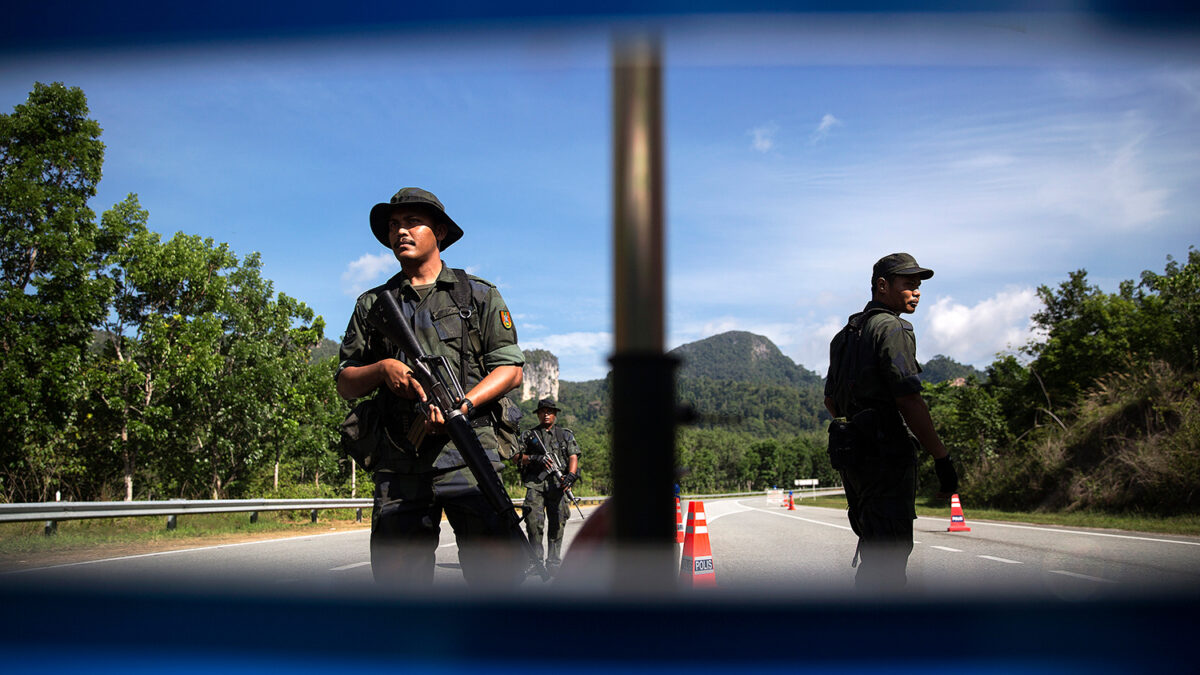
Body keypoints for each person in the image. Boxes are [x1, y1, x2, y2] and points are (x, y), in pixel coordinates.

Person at [336, 186, 526, 588]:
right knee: (399, 589)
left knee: (496, 582)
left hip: (469, 455)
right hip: (400, 461)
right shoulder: (374, 305)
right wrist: (383, 369)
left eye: (411, 222)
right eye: (393, 225)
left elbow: (510, 369)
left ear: (439, 232)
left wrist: (463, 406)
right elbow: (346, 383)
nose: (400, 232)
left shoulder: (477, 295)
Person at [823, 252, 959, 592]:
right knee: (889, 559)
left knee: (874, 548)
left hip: (851, 458)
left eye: (918, 285)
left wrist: (857, 427)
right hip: (885, 458)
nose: (916, 292)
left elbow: (830, 399)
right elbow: (908, 398)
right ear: (882, 286)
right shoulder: (893, 328)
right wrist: (942, 459)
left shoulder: (843, 336)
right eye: (909, 284)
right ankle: (881, 637)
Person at [513, 397, 581, 574]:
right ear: (538, 414)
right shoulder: (529, 435)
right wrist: (534, 458)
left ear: (555, 414)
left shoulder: (565, 434)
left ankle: (553, 563)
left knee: (557, 523)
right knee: (533, 523)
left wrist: (571, 475)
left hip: (558, 485)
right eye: (543, 411)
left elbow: (573, 456)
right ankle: (535, 563)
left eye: (550, 411)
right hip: (535, 484)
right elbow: (515, 456)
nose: (546, 414)